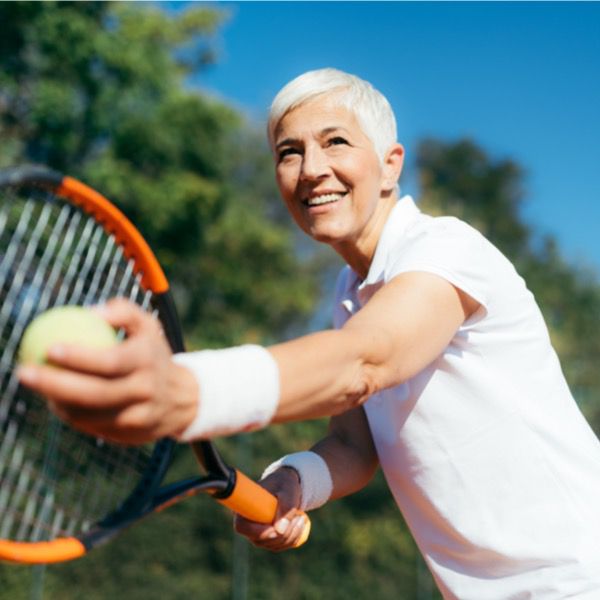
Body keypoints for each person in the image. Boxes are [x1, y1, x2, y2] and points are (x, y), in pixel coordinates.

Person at [17, 68, 600, 599]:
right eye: (288, 153)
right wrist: (297, 481)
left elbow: (365, 364)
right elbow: (353, 446)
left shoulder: (446, 249)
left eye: (335, 142)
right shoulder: (350, 298)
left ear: (391, 164)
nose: (311, 169)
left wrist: (189, 390)